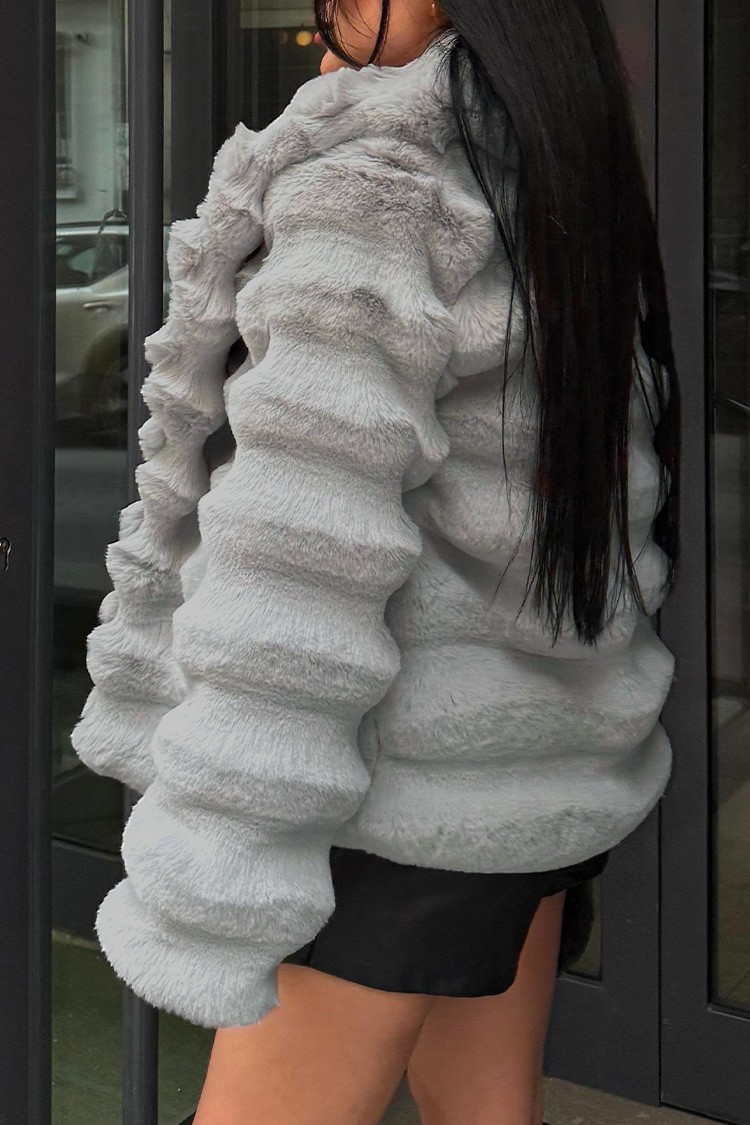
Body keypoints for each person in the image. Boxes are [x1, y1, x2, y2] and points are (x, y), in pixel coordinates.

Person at [70, 0, 681, 1122]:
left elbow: (302, 550)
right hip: (526, 775)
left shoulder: (374, 182)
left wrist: (233, 852)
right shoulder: (550, 171)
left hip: (378, 798)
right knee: (487, 1110)